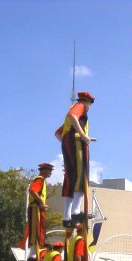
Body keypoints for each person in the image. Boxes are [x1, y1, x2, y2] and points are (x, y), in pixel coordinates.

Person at [55, 91, 96, 228]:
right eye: (90, 103)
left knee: (71, 178)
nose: (90, 106)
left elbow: (58, 133)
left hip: (69, 143)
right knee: (80, 175)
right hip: (76, 143)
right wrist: (83, 135)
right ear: (87, 101)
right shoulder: (80, 106)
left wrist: (66, 144)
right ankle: (76, 212)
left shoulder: (69, 123)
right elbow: (73, 115)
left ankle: (67, 217)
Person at [20, 163, 54, 259]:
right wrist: (40, 202)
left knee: (40, 229)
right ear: (43, 170)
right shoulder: (40, 179)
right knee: (36, 229)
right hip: (36, 208)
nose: (50, 172)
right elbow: (32, 190)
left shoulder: (42, 181)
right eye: (49, 170)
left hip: (39, 208)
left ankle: (34, 253)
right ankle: (33, 254)